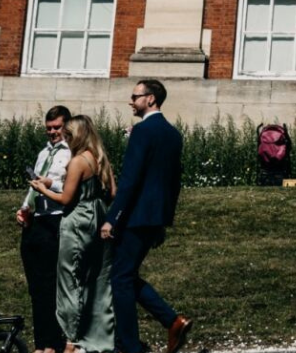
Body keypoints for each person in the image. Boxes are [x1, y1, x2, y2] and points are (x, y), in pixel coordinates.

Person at [102, 79, 190, 353]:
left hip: (135, 216)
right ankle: (171, 321)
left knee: (120, 278)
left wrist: (112, 217)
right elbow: (174, 181)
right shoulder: (173, 134)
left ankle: (131, 344)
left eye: (135, 96)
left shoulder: (142, 131)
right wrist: (163, 220)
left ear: (150, 99)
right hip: (154, 216)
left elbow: (130, 179)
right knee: (125, 275)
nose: (131, 101)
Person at [28, 114, 118, 353]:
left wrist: (41, 189)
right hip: (97, 216)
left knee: (70, 281)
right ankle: (98, 337)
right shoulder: (100, 159)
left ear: (76, 135)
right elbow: (112, 194)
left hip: (77, 219)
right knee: (97, 280)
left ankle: (72, 340)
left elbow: (66, 199)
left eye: (67, 135)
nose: (65, 140)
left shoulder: (78, 161)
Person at [18, 106, 73, 353]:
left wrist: (51, 182)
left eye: (57, 127)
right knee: (36, 288)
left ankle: (53, 342)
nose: (52, 132)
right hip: (37, 219)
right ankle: (42, 343)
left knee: (50, 286)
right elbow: (34, 186)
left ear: (67, 126)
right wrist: (25, 208)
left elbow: (69, 183)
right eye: (49, 128)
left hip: (56, 218)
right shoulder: (44, 153)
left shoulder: (72, 152)